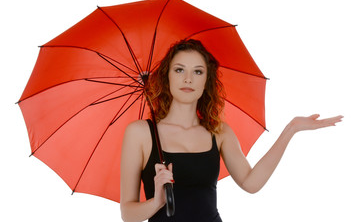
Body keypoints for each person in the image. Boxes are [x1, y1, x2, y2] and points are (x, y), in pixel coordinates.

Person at [119, 39, 343, 222]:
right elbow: (128, 214)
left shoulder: (219, 132)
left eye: (198, 72)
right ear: (167, 76)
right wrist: (157, 201)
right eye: (179, 70)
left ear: (207, 80)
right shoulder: (140, 133)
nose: (188, 78)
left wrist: (291, 129)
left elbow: (251, 183)